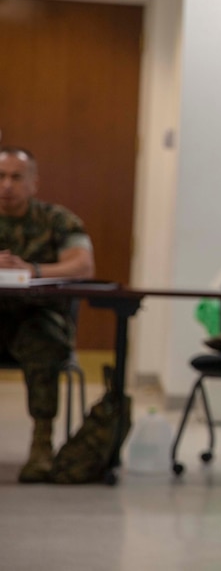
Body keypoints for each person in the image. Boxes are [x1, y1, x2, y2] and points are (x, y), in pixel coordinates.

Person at [0, 147, 95, 483]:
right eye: (1, 177)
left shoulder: (56, 220)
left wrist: (33, 270)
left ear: (33, 183)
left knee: (44, 341)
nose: (7, 185)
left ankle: (42, 445)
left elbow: (82, 265)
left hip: (36, 318)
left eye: (16, 177)